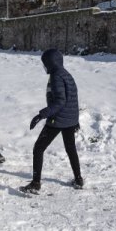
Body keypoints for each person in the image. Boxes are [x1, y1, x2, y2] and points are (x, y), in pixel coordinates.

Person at [20, 49, 83, 194]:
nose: (44, 66)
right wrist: (75, 120)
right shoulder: (67, 74)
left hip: (58, 118)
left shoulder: (56, 76)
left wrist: (41, 115)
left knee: (38, 148)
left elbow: (60, 101)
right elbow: (74, 99)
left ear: (50, 62)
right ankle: (78, 179)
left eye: (45, 63)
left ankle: (36, 183)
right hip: (69, 119)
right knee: (71, 149)